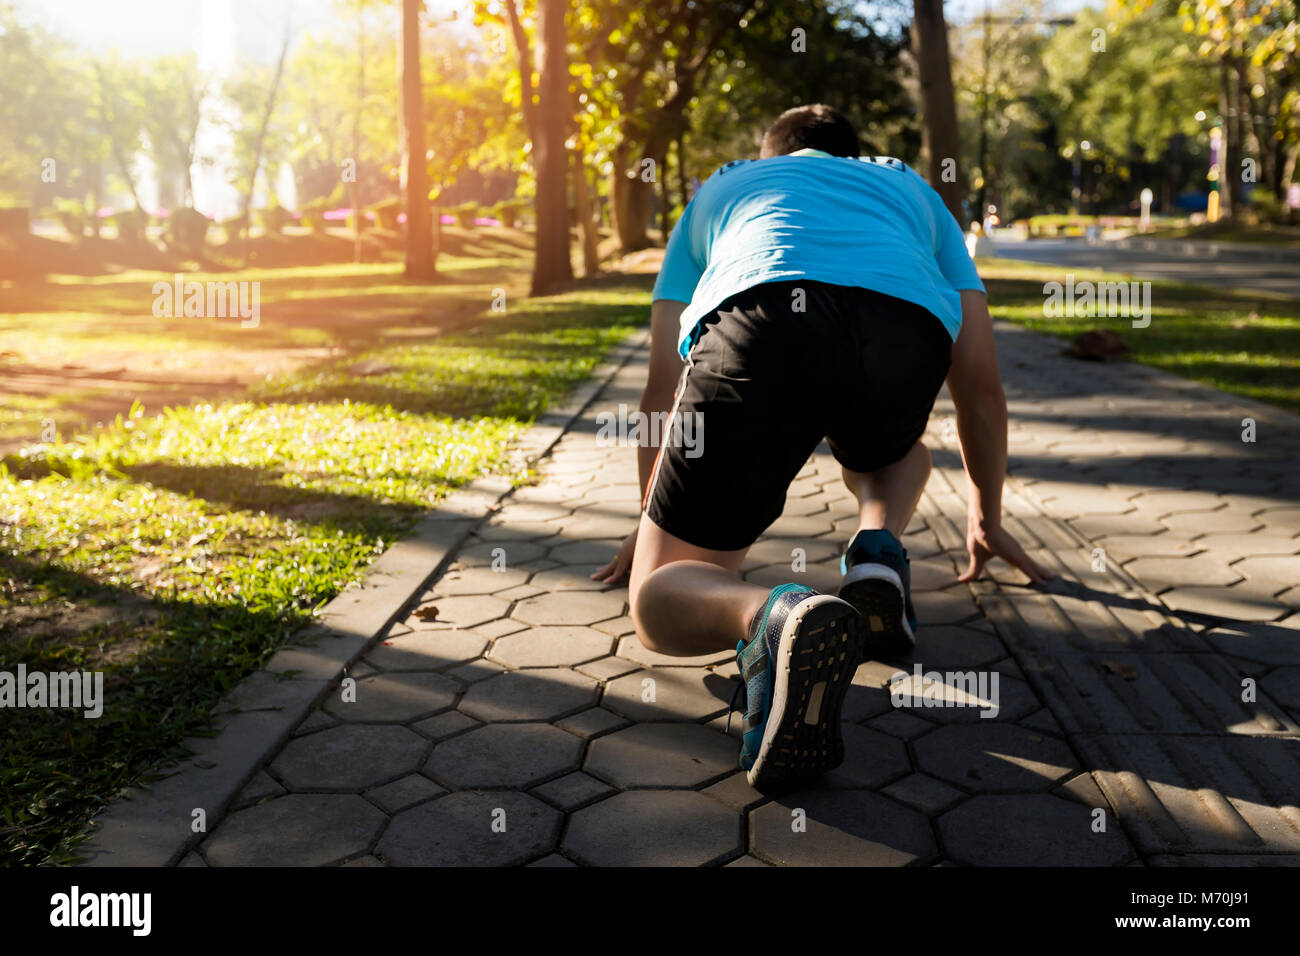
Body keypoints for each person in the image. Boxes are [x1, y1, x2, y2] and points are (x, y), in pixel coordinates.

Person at [590, 104, 1050, 791]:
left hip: (764, 320)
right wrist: (986, 519)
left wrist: (652, 519)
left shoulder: (722, 186)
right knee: (901, 451)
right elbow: (980, 385)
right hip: (905, 332)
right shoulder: (911, 189)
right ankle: (875, 553)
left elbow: (663, 385)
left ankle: (769, 618)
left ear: (768, 152)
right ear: (853, 154)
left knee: (656, 602)